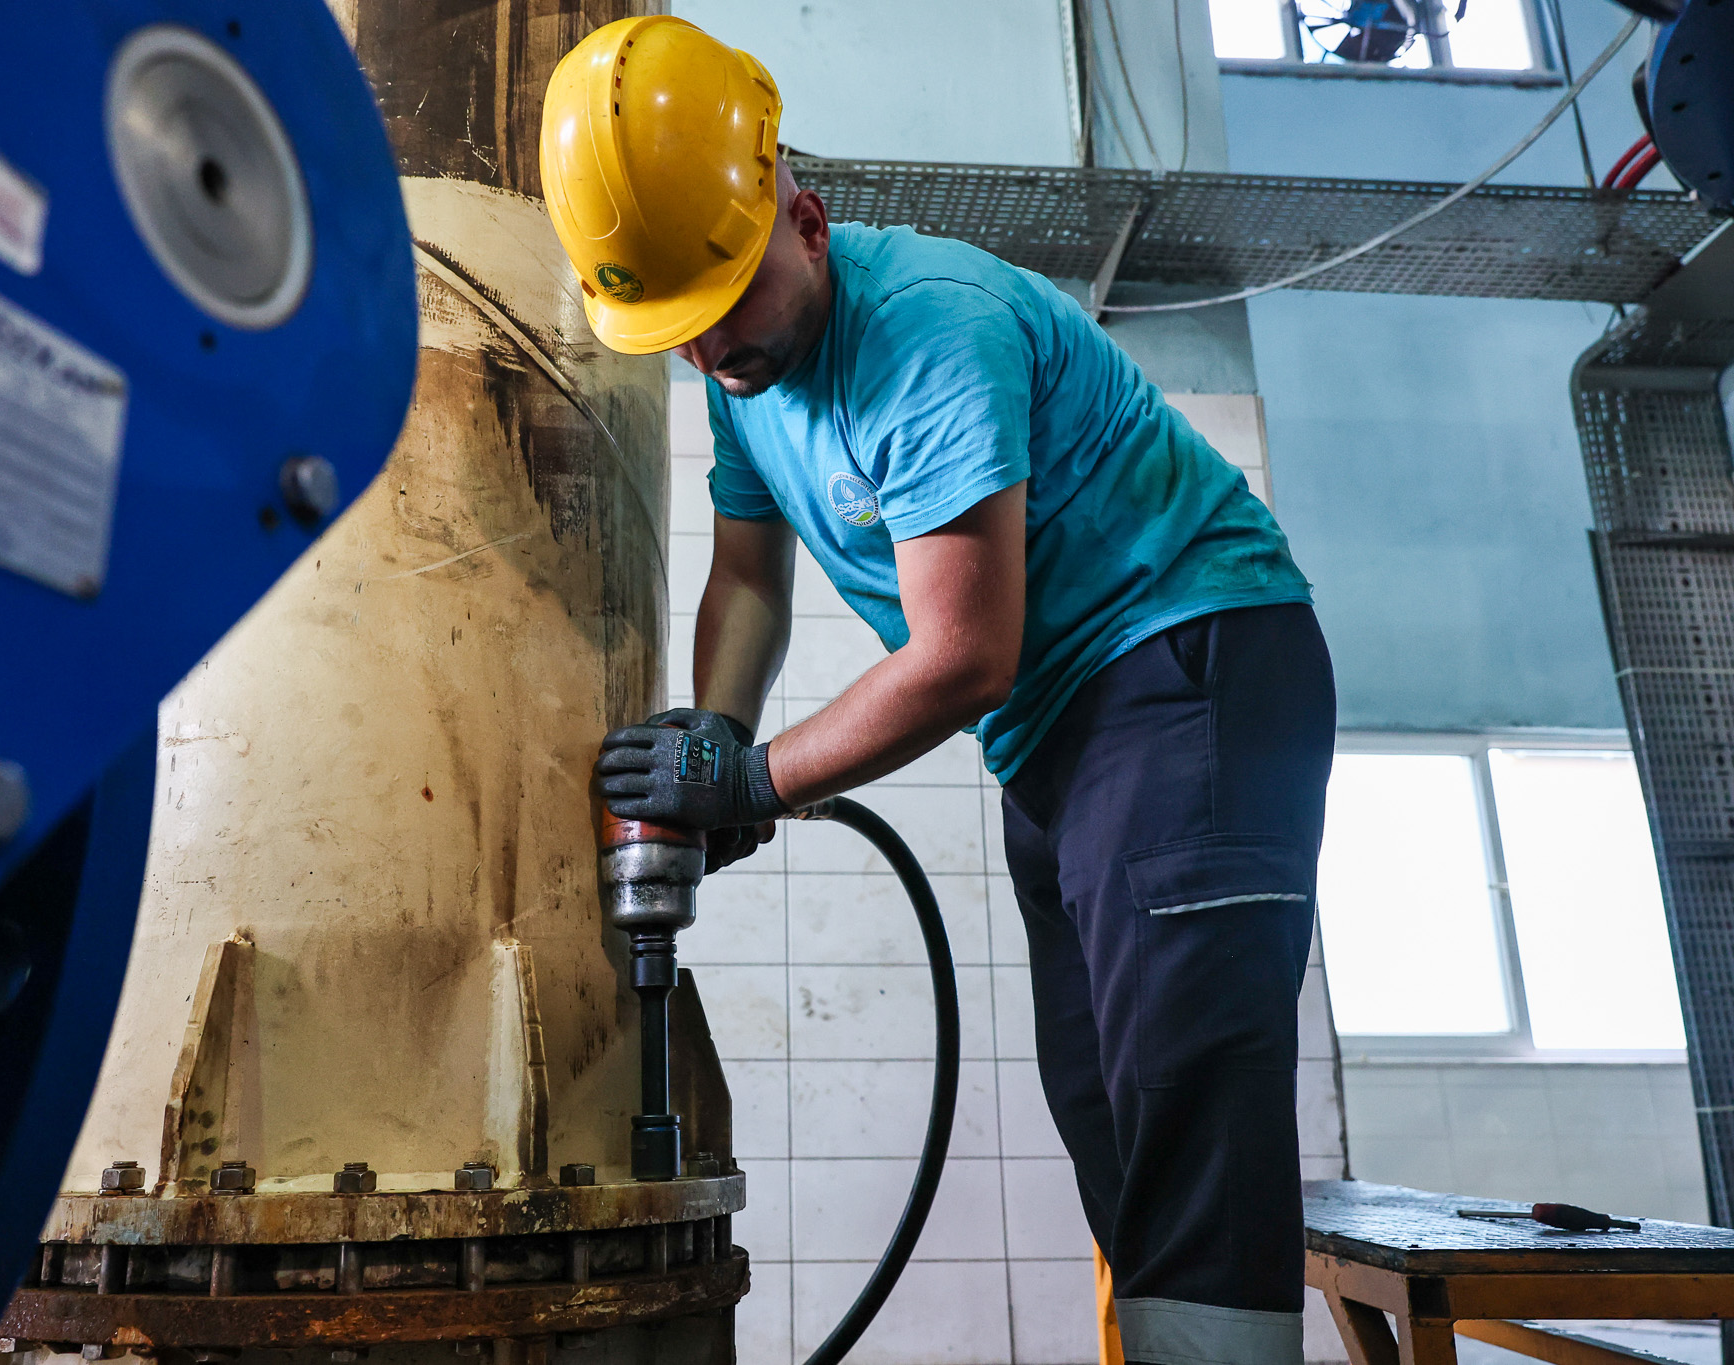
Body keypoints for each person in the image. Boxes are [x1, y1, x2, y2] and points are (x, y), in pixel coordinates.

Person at [541, 17, 1336, 1365]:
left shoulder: (928, 336)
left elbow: (967, 651)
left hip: (1191, 666)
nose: (707, 353)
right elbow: (748, 574)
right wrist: (717, 731)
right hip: (1062, 737)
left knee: (1188, 1101)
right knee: (1105, 1102)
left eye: (722, 308)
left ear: (806, 220)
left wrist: (759, 779)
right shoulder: (742, 370)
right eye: (674, 331)